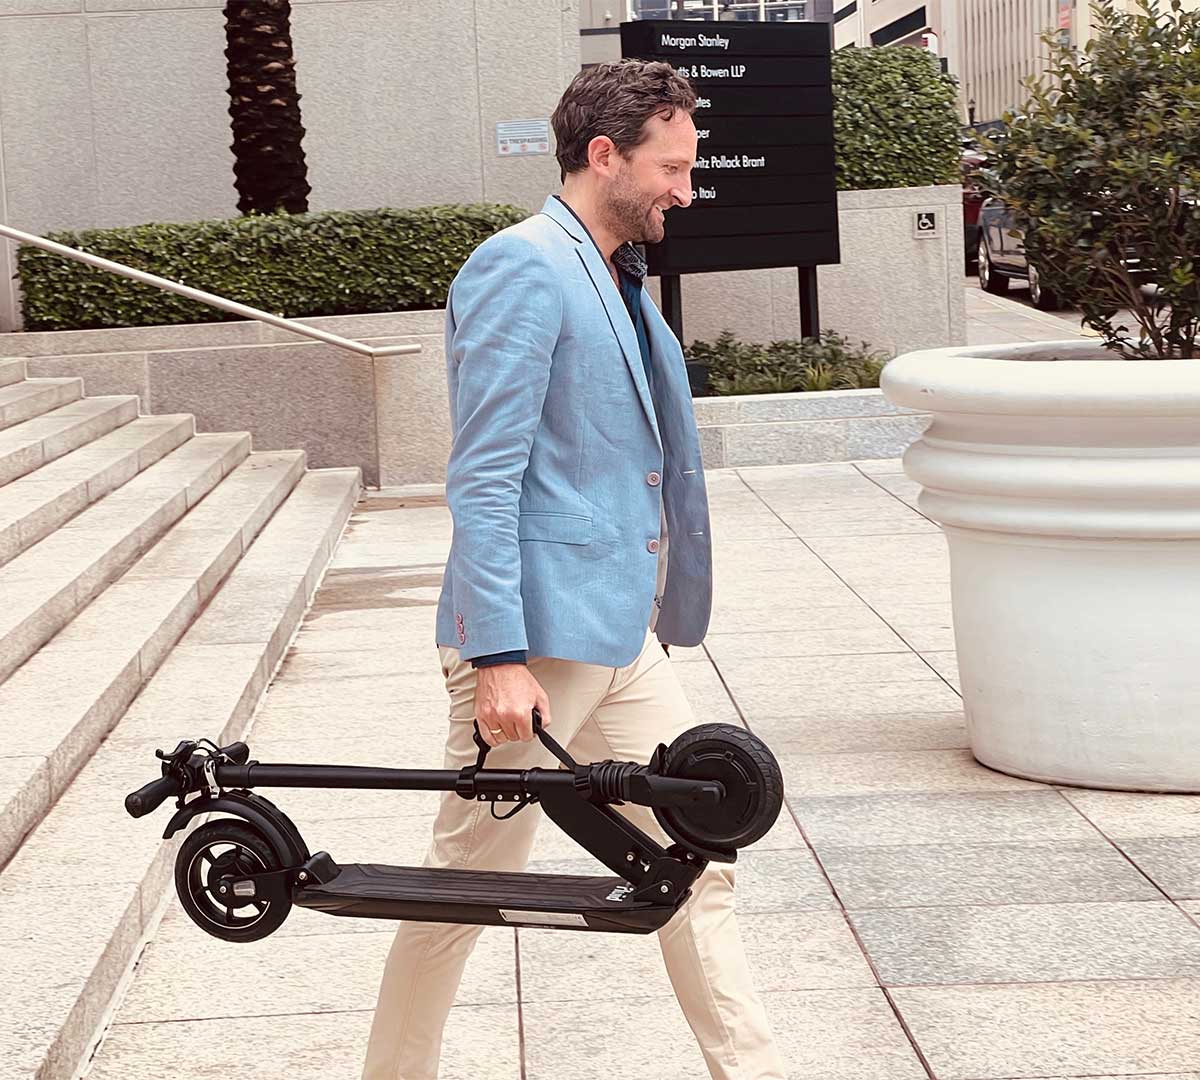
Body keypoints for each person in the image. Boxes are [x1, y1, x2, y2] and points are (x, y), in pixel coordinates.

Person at [361, 59, 785, 1080]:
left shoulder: (612, 272)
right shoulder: (522, 265)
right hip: (537, 648)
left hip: (617, 632)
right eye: (672, 168)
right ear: (605, 155)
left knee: (694, 858)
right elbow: (486, 475)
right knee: (464, 886)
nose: (687, 189)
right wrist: (496, 653)